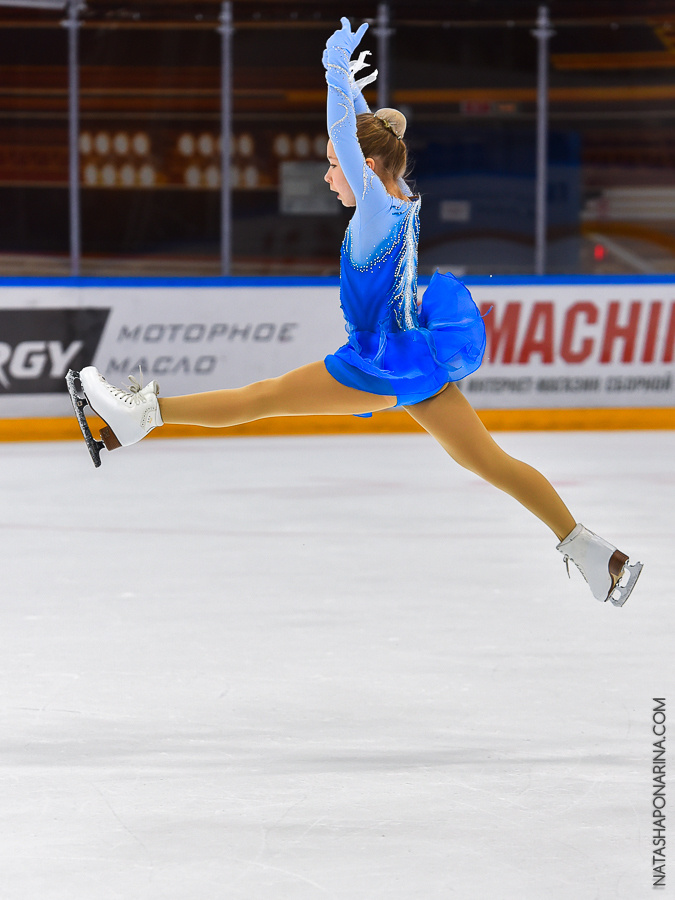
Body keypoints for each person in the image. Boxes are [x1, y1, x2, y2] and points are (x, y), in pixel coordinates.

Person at [74, 18, 641, 607]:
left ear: (363, 168)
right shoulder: (396, 198)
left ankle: (140, 417)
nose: (327, 174)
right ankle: (599, 557)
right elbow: (369, 138)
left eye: (332, 164)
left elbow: (352, 137)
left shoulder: (374, 207)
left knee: (261, 398)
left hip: (377, 363)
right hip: (414, 359)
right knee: (492, 462)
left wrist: (334, 77)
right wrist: (350, 90)